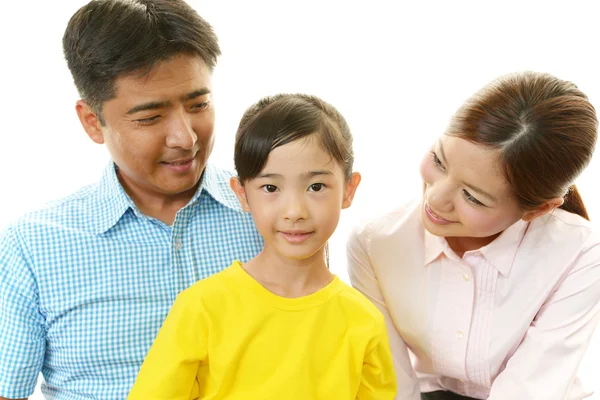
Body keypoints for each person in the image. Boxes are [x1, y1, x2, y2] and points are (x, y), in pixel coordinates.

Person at [0, 1, 263, 399]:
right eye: (150, 118)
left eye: (198, 105)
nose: (185, 137)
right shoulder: (33, 247)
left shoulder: (271, 216)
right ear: (92, 121)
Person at [347, 71, 600, 400]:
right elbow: (392, 383)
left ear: (538, 209)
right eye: (439, 160)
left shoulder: (579, 253)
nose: (435, 199)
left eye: (473, 197)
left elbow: (530, 389)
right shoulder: (374, 242)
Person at [126, 93, 397, 399]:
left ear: (349, 190)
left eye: (316, 187)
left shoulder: (363, 321)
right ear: (242, 194)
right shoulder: (202, 308)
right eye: (271, 188)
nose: (294, 210)